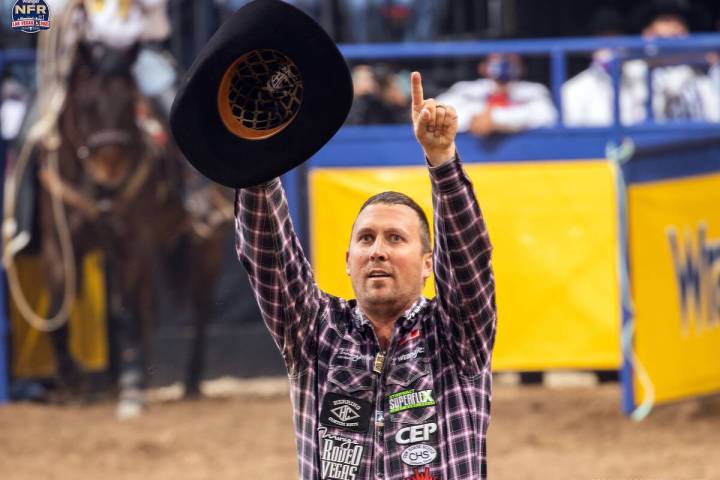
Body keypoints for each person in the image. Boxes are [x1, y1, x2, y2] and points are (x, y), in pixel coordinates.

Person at [235, 71, 496, 479]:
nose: (377, 250)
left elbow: (470, 259)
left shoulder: (456, 333)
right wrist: (257, 154)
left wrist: (443, 161)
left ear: (429, 263)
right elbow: (268, 254)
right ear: (347, 259)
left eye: (395, 238)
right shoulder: (315, 330)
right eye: (366, 239)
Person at [563, 2, 719, 126]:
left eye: (682, 23)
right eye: (666, 20)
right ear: (648, 33)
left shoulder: (702, 75)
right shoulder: (633, 72)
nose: (676, 28)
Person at [436, 53, 557, 137]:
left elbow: (548, 116)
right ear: (482, 67)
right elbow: (436, 112)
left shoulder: (534, 90)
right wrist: (471, 120)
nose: (504, 64)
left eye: (510, 59)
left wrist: (496, 120)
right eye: (497, 58)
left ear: (522, 67)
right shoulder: (466, 89)